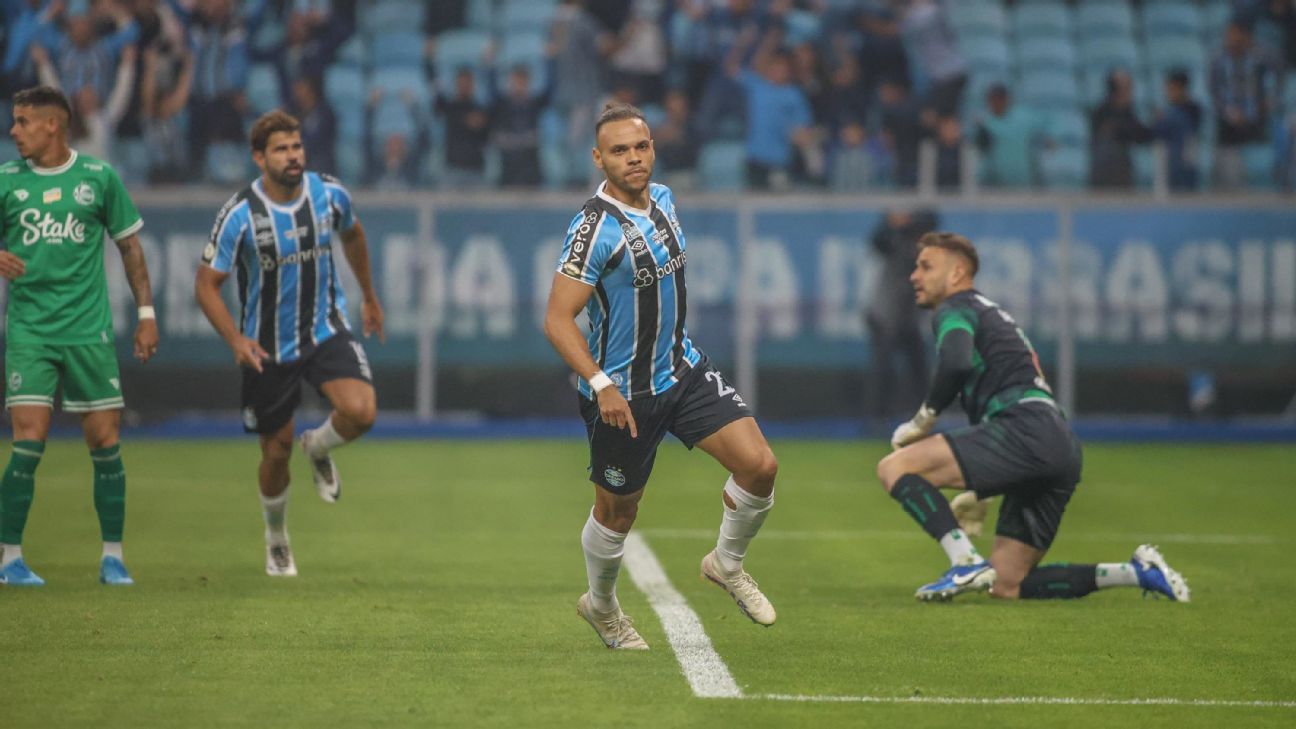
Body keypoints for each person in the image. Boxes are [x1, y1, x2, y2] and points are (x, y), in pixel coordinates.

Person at [544, 102, 780, 649]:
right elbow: (558, 319)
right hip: (622, 395)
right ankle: (601, 606)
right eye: (620, 150)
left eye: (641, 146)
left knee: (760, 466)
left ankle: (726, 563)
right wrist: (601, 384)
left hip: (682, 370)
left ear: (654, 148)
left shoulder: (666, 199)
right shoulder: (593, 228)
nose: (634, 158)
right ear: (598, 158)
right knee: (616, 513)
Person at [875, 232, 1191, 604]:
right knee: (1007, 584)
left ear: (958, 273)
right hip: (1059, 443)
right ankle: (1137, 572)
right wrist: (983, 491)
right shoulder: (991, 314)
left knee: (894, 468)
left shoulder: (957, 308)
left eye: (926, 266)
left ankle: (963, 561)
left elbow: (957, 361)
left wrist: (922, 420)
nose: (915, 275)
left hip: (1024, 428)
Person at [194, 110, 384, 577]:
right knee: (274, 452)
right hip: (267, 346)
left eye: (296, 146)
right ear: (259, 158)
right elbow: (205, 284)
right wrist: (236, 339)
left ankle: (318, 447)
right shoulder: (240, 214)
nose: (293, 156)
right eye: (281, 149)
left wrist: (370, 298)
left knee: (362, 411)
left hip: (326, 328)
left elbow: (354, 235)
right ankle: (276, 538)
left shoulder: (330, 193)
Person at [0, 85, 159, 586]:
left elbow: (130, 248)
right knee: (28, 440)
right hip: (30, 329)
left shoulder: (98, 178)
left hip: (88, 330)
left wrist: (147, 313)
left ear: (53, 125)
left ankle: (113, 556)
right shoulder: (6, 181)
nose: (13, 130)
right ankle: (9, 559)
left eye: (22, 121)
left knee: (105, 441)